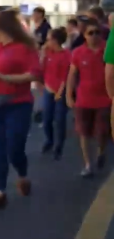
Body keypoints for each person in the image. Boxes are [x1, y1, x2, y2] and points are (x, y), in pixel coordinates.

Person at [0, 9, 41, 209]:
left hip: (19, 104)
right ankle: (0, 192)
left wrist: (3, 77)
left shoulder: (25, 48)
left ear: (2, 27)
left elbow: (34, 75)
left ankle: (22, 175)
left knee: (14, 149)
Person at [66, 18, 111, 177]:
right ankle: (88, 164)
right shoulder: (78, 52)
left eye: (97, 32)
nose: (94, 36)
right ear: (84, 35)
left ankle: (101, 152)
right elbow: (72, 75)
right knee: (83, 133)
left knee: (102, 132)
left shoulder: (108, 49)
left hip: (105, 99)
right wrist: (68, 95)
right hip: (84, 100)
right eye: (90, 33)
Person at [41, 27, 70, 160]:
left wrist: (59, 93)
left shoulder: (66, 55)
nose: (47, 41)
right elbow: (41, 68)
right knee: (46, 120)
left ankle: (58, 147)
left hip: (60, 92)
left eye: (49, 38)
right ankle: (50, 140)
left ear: (55, 40)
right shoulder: (48, 52)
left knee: (59, 121)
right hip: (48, 90)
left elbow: (65, 77)